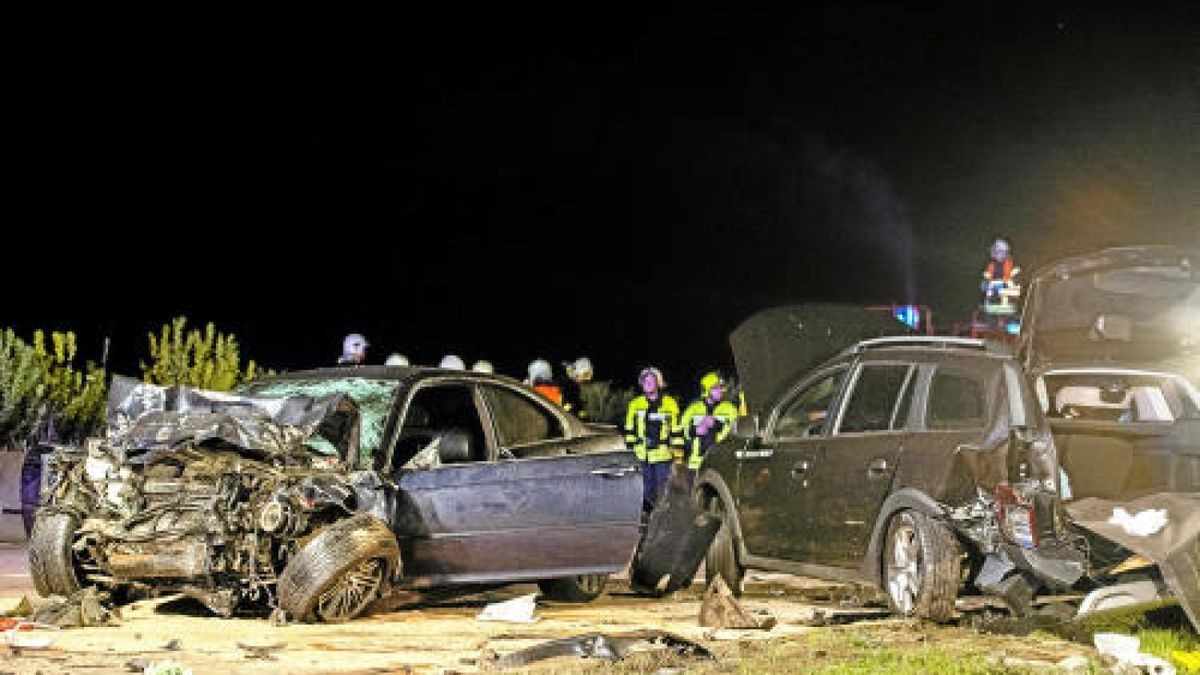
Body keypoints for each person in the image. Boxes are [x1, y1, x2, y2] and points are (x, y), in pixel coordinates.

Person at [624, 366, 682, 511]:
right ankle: (648, 518)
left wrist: (678, 455)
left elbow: (676, 431)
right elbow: (629, 430)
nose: (647, 383)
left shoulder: (670, 404)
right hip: (641, 455)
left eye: (651, 381)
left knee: (663, 490)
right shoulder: (635, 404)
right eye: (645, 381)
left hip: (662, 455)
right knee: (645, 490)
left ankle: (662, 517)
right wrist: (631, 452)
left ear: (658, 383)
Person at [679, 371, 740, 486]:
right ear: (707, 390)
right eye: (716, 388)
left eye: (721, 388)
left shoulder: (730, 409)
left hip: (720, 464)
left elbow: (734, 432)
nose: (721, 391)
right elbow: (681, 430)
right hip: (695, 464)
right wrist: (695, 430)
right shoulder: (693, 409)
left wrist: (716, 424)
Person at [981, 237, 1021, 307]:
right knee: (990, 290)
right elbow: (987, 277)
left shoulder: (1009, 264)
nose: (1002, 255)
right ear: (994, 252)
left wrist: (1014, 274)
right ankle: (989, 303)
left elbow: (1011, 275)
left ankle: (1004, 305)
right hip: (994, 286)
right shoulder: (991, 265)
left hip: (1005, 285)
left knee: (1010, 291)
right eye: (999, 252)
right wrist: (987, 277)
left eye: (1004, 252)